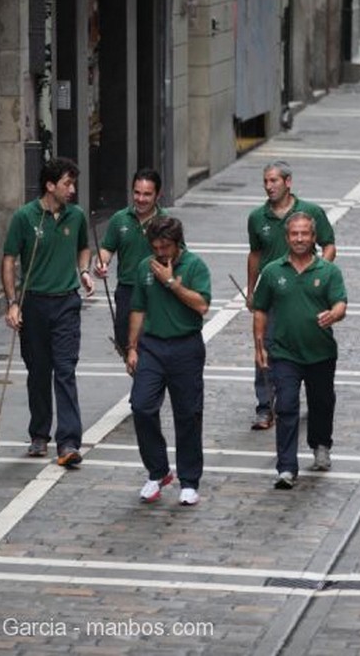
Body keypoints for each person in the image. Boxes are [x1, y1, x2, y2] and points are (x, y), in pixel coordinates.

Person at [1, 157, 95, 467]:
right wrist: (12, 303)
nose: (72, 189)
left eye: (73, 183)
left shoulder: (76, 216)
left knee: (65, 370)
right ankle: (39, 433)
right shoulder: (25, 218)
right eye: (67, 183)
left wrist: (83, 270)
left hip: (66, 302)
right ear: (50, 185)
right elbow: (9, 260)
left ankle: (68, 441)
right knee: (39, 371)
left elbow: (84, 247)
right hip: (34, 304)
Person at [253, 212, 347, 490]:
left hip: (320, 353)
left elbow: (341, 303)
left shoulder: (328, 271)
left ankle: (320, 445)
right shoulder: (272, 272)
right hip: (284, 354)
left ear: (314, 237)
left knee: (322, 403)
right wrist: (259, 345)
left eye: (305, 234)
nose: (299, 239)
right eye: (294, 234)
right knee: (286, 406)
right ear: (287, 238)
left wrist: (334, 314)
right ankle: (286, 467)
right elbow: (260, 310)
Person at [245, 160, 336, 431]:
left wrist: (323, 273)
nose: (269, 186)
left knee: (309, 345)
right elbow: (255, 254)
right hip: (272, 293)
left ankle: (307, 396)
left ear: (288, 182)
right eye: (265, 182)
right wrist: (251, 290)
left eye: (274, 181)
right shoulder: (257, 217)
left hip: (307, 295)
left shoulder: (310, 212)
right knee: (264, 345)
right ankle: (265, 406)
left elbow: (329, 245)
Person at [126, 216, 211, 506]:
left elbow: (202, 305)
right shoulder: (144, 267)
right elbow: (138, 308)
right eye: (156, 247)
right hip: (152, 347)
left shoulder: (195, 266)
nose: (160, 253)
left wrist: (171, 282)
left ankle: (189, 480)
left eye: (166, 247)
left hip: (186, 347)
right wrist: (132, 347)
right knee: (141, 405)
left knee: (188, 413)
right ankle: (158, 471)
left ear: (178, 243)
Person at [94, 168, 167, 358]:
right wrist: (101, 263)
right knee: (127, 346)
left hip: (156, 291)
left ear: (158, 195)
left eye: (147, 194)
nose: (140, 199)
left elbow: (179, 256)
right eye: (137, 192)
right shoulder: (119, 219)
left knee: (151, 349)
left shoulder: (166, 222)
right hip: (127, 292)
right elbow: (107, 248)